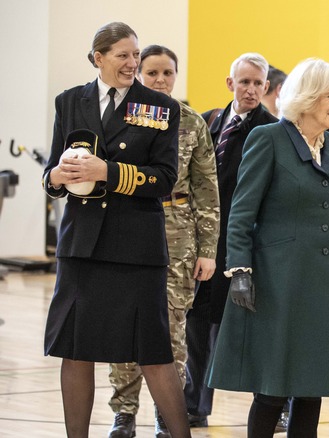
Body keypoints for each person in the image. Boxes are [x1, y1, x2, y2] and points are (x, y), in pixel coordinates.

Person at [41, 22, 190, 438]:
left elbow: (164, 178)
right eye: (123, 55)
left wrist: (107, 170)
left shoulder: (160, 107)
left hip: (136, 248)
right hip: (81, 246)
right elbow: (52, 172)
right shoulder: (70, 101)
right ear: (98, 58)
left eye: (135, 55)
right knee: (76, 350)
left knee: (153, 352)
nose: (132, 63)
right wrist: (56, 175)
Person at [207, 58, 329, 438]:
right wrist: (239, 270)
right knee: (272, 388)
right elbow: (241, 212)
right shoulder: (268, 138)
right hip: (275, 281)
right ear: (309, 97)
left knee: (311, 387)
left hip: (320, 282)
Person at [107, 45, 219, 438]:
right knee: (123, 325)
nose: (159, 80)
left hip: (178, 235)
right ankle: (124, 413)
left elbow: (207, 190)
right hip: (128, 228)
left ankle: (165, 412)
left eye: (167, 73)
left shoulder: (190, 121)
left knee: (172, 328)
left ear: (176, 75)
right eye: (151, 73)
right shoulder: (122, 116)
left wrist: (208, 249)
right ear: (138, 74)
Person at [184, 52, 277, 427]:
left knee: (251, 326)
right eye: (245, 82)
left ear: (267, 87)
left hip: (245, 241)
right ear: (230, 84)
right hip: (206, 239)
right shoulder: (208, 121)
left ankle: (273, 403)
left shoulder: (271, 129)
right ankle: (194, 404)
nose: (251, 89)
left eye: (258, 83)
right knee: (197, 323)